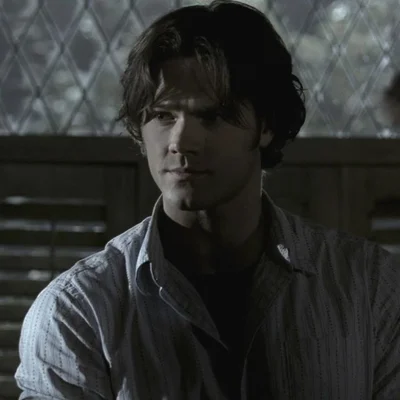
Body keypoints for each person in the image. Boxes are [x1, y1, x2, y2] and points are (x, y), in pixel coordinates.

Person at [15, 1, 400, 399]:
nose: (181, 141)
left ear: (266, 126)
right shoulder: (79, 311)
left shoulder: (370, 290)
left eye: (212, 117)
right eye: (163, 116)